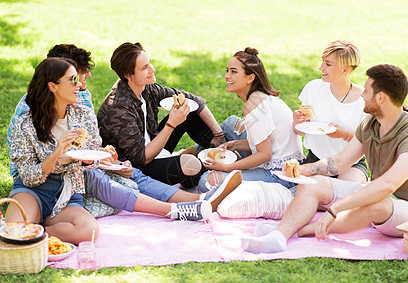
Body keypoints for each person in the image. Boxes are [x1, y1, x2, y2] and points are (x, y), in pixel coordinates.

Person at [6, 58, 242, 244]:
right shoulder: (25, 123)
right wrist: (58, 153)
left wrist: (111, 161)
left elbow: (90, 156)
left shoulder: (82, 113)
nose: (79, 84)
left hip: (70, 190)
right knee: (14, 233)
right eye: (72, 80)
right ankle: (31, 227)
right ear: (52, 86)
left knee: (89, 231)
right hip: (35, 190)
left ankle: (38, 229)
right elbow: (28, 176)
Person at [240, 64, 408, 254]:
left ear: (380, 97)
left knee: (375, 204)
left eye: (366, 91)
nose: (361, 95)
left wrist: (337, 208)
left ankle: (299, 230)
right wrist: (305, 170)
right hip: (377, 192)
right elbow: (340, 162)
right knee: (313, 183)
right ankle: (280, 236)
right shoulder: (371, 124)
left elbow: (387, 186)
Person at [97, 42, 225, 188]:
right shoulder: (118, 108)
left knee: (188, 110)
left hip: (154, 146)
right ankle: (206, 159)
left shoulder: (146, 88)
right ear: (128, 75)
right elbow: (141, 159)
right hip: (139, 167)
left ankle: (221, 150)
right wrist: (171, 125)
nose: (152, 69)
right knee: (193, 167)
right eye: (144, 68)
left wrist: (218, 134)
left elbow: (193, 100)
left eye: (149, 63)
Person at [197, 47, 304, 192]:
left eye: (233, 72)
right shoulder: (260, 97)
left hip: (282, 174)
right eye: (227, 70)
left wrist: (227, 167)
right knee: (230, 124)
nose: (227, 76)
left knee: (207, 182)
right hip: (284, 161)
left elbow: (265, 154)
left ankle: (193, 163)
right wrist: (234, 145)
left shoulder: (254, 106)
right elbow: (265, 144)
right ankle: (193, 158)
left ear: (250, 77)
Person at [7, 44, 95, 178]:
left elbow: (90, 144)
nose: (88, 75)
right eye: (81, 72)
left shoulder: (82, 95)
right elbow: (25, 157)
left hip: (72, 171)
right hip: (35, 173)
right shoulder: (30, 107)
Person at [294, 40, 368, 183]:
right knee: (312, 193)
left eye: (328, 64)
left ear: (345, 70)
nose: (320, 67)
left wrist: (345, 135)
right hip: (316, 160)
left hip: (351, 164)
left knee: (347, 192)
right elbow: (300, 131)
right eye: (322, 61)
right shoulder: (313, 88)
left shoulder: (364, 100)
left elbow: (370, 145)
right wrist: (297, 122)